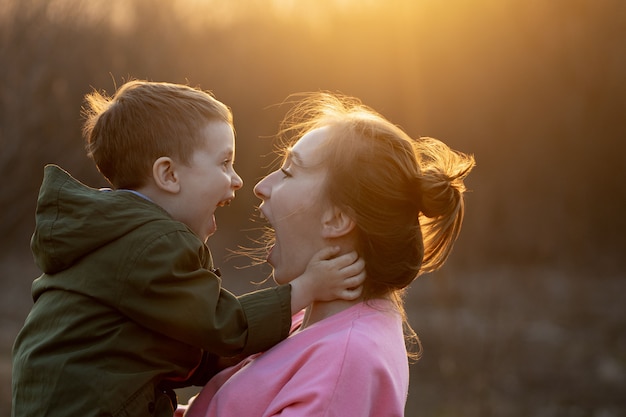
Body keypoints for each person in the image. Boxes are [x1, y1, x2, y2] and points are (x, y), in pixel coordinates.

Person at [11, 81, 365, 417]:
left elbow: (166, 338)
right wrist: (308, 287)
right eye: (224, 163)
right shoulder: (153, 244)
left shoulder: (116, 234)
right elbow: (223, 324)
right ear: (169, 175)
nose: (238, 180)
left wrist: (219, 360)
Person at [178, 92, 475, 417]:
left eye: (290, 172)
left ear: (338, 218)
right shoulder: (304, 320)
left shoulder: (346, 362)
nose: (261, 186)